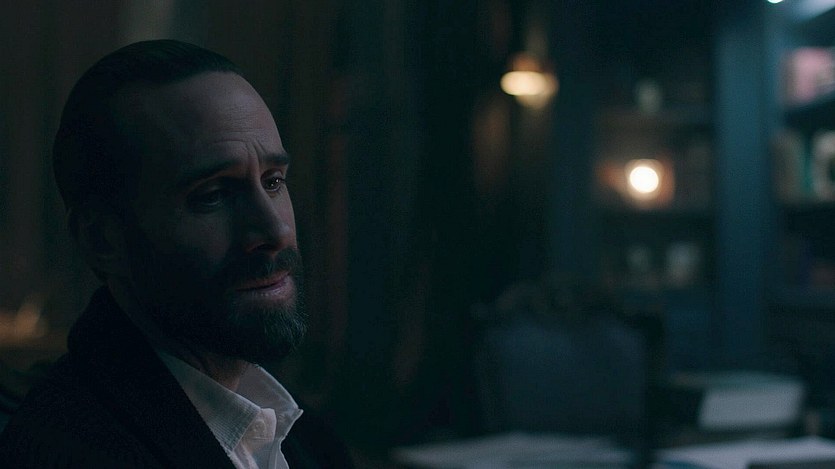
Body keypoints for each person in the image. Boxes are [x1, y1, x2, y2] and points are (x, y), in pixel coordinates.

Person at [0, 39, 353, 468]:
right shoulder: (63, 452)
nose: (275, 231)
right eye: (212, 195)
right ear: (103, 239)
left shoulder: (302, 435)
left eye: (273, 181)